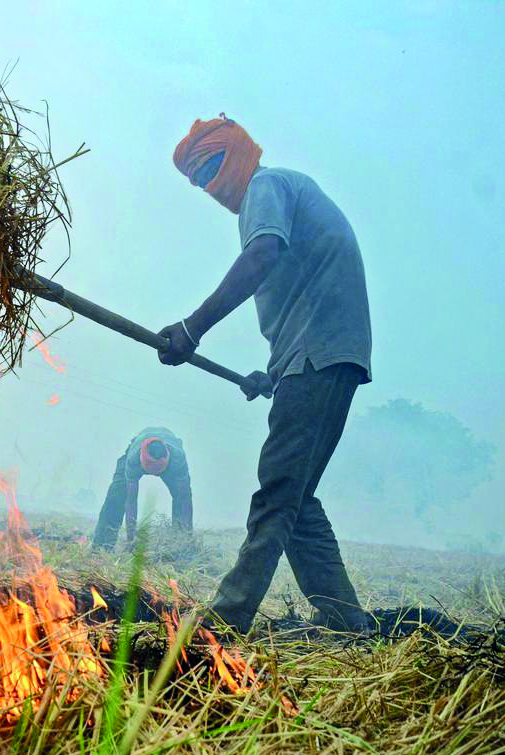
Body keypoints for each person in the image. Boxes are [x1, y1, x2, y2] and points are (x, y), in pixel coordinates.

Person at [157, 115, 373, 633]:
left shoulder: (266, 185)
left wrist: (193, 327)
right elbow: (305, 293)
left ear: (237, 152)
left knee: (277, 491)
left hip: (317, 357)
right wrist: (272, 376)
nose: (210, 185)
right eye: (198, 179)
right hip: (317, 359)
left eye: (211, 166)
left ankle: (225, 621)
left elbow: (262, 257)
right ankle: (346, 620)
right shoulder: (278, 190)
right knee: (296, 498)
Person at [92, 427, 192, 550]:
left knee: (182, 502)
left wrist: (187, 539)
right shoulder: (133, 459)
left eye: (159, 471)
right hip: (137, 449)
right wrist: (131, 538)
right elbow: (131, 500)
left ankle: (181, 546)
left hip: (171, 460)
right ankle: (101, 546)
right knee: (117, 495)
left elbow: (185, 500)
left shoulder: (177, 460)